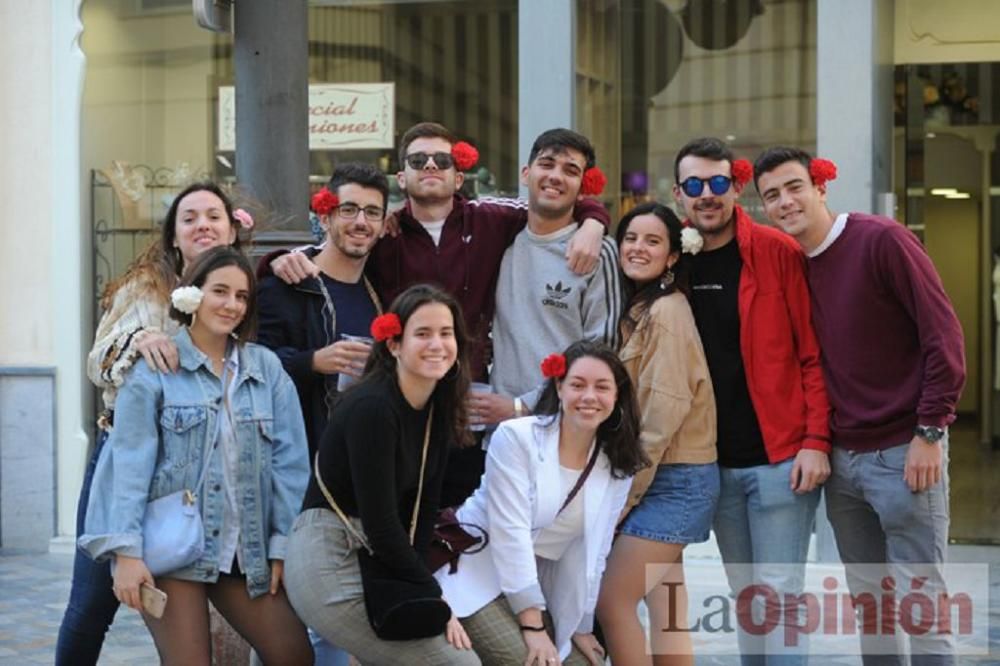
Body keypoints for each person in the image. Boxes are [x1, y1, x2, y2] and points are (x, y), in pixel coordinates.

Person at [266, 121, 611, 506]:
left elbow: (551, 199)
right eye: (418, 159)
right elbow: (340, 242)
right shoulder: (384, 232)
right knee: (396, 509)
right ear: (402, 176)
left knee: (463, 517)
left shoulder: (492, 218)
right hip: (399, 402)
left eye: (442, 159)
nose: (430, 166)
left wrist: (595, 221)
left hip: (469, 404)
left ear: (458, 175)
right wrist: (278, 259)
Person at [754, 147, 966, 665]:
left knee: (922, 607)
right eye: (772, 196)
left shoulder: (881, 240)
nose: (785, 202)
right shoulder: (793, 264)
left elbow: (944, 339)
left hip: (903, 453)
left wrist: (930, 432)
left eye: (794, 187)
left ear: (820, 187)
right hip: (843, 463)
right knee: (871, 609)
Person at [79, 247, 313, 665]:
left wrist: (280, 548)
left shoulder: (267, 369)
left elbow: (289, 466)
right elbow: (129, 464)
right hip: (173, 550)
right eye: (219, 291)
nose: (231, 304)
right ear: (192, 295)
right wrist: (127, 553)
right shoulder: (154, 369)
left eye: (242, 296)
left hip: (243, 549)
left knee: (292, 653)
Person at [56, 181, 247, 665]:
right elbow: (98, 360)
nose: (202, 224)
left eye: (212, 216)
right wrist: (139, 339)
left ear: (231, 229)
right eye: (190, 218)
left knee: (186, 613)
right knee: (92, 602)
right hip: (129, 455)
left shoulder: (244, 290)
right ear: (175, 236)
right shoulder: (147, 288)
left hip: (206, 468)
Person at [672, 137, 831, 664]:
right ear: (680, 195)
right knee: (749, 602)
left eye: (718, 182)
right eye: (695, 185)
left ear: (736, 186)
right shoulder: (675, 264)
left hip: (781, 460)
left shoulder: (775, 250)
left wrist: (815, 441)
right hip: (714, 465)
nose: (707, 194)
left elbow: (812, 355)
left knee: (781, 599)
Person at [283, 284, 480, 666]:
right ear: (394, 344)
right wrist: (435, 598)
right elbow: (382, 522)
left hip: (375, 558)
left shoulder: (437, 410)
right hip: (330, 554)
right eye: (422, 333)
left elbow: (422, 514)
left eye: (446, 333)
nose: (437, 344)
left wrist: (421, 593)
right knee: (457, 663)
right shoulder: (373, 406)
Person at [437, 341, 646, 666]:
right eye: (578, 385)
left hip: (539, 584)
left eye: (602, 387)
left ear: (617, 396)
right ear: (559, 388)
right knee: (532, 661)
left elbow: (598, 551)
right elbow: (511, 534)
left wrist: (581, 625)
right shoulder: (516, 438)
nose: (589, 397)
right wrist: (532, 624)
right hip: (476, 572)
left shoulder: (618, 463)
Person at [257, 163, 388, 664]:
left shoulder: (380, 287)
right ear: (326, 213)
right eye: (349, 209)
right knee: (299, 620)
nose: (360, 221)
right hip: (300, 474)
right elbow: (257, 367)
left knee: (335, 619)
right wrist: (314, 362)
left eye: (372, 212)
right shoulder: (289, 283)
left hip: (359, 475)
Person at [596, 202, 718, 665]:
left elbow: (662, 412)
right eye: (630, 238)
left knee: (613, 602)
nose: (638, 248)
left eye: (652, 241)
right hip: (668, 476)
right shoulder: (642, 308)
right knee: (667, 611)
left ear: (672, 257)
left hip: (673, 479)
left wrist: (627, 492)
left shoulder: (666, 311)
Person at [480, 128, 622, 426]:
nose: (556, 176)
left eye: (570, 170)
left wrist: (523, 407)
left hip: (567, 428)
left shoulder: (596, 252)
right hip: (500, 430)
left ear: (583, 187)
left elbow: (603, 352)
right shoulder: (500, 243)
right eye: (546, 164)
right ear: (525, 173)